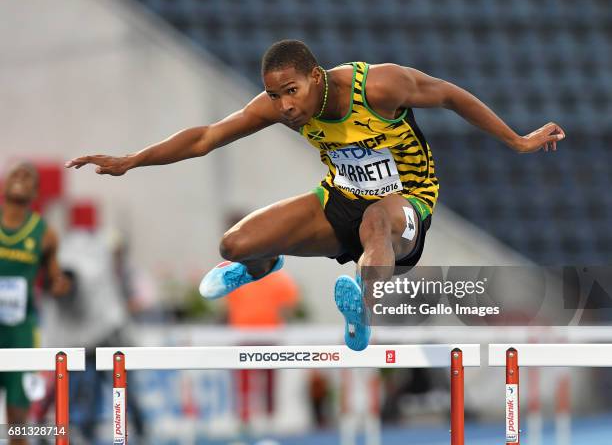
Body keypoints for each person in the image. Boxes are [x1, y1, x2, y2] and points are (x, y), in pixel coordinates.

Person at [66, 40, 565, 351]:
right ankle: (262, 266)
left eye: (291, 92)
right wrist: (132, 159)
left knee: (375, 222)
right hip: (338, 200)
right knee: (235, 245)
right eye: (274, 94)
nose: (283, 106)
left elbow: (451, 94)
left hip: (404, 206)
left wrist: (516, 140)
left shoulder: (378, 86)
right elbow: (204, 138)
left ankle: (363, 306)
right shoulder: (276, 106)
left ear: (316, 77)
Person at [0, 162, 70, 444]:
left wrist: (60, 284)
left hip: (21, 330)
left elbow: (55, 279)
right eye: (15, 174)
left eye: (27, 177)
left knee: (18, 414)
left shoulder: (46, 234)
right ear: (4, 185)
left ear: (36, 192)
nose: (20, 178)